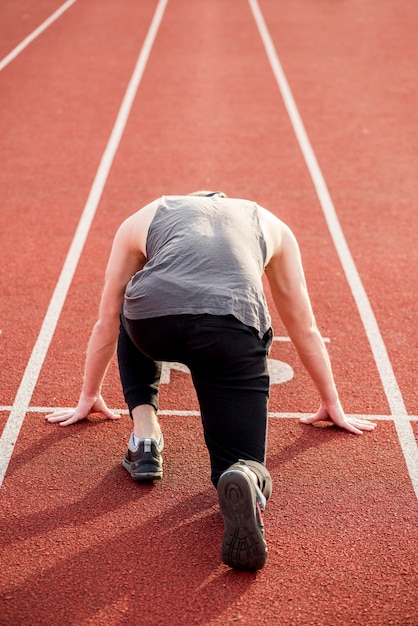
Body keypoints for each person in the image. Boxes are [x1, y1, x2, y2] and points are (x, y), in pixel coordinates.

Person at [46, 191, 376, 571]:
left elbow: (106, 318)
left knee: (127, 307)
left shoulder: (148, 213)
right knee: (242, 464)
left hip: (151, 323)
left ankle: (145, 436)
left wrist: (89, 395)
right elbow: (304, 326)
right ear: (225, 202)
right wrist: (330, 400)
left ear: (189, 202)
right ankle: (243, 475)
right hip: (230, 328)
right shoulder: (270, 222)